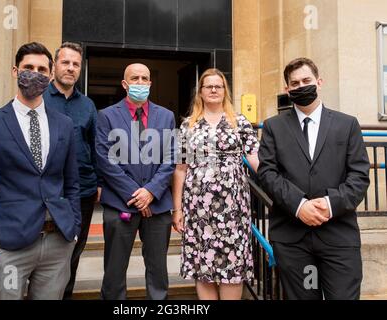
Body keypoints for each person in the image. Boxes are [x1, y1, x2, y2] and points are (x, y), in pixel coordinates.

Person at [0, 42, 81, 300]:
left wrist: (73, 229)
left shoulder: (64, 125)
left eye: (42, 69)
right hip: (9, 246)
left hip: (57, 243)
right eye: (28, 67)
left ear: (50, 75)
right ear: (15, 71)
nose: (35, 73)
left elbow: (72, 183)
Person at [257, 57, 370, 300]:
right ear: (287, 89)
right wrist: (300, 206)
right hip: (291, 238)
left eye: (306, 80)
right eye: (294, 83)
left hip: (338, 235)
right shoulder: (273, 127)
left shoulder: (347, 124)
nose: (301, 86)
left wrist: (328, 205)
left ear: (319, 82)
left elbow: (359, 176)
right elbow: (267, 173)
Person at [172, 68, 259, 300]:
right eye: (208, 86)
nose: (213, 90)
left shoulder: (239, 122)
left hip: (233, 209)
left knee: (232, 265)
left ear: (224, 91)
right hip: (197, 208)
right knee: (203, 266)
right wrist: (177, 209)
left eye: (218, 86)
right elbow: (180, 169)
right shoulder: (188, 125)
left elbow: (255, 159)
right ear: (200, 92)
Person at [96, 63, 176, 300]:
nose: (140, 82)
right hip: (121, 204)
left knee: (158, 272)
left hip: (158, 205)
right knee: (114, 271)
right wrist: (137, 195)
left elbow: (172, 158)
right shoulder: (106, 116)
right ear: (124, 84)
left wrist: (151, 191)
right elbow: (105, 159)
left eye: (144, 78)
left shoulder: (167, 116)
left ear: (150, 83)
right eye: (135, 78)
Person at [43, 42, 99, 299]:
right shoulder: (39, 99)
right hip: (47, 191)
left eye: (76, 64)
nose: (71, 68)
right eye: (65, 62)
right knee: (44, 252)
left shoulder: (87, 106)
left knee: (74, 249)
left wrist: (99, 182)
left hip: (83, 191)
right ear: (54, 66)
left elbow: (96, 146)